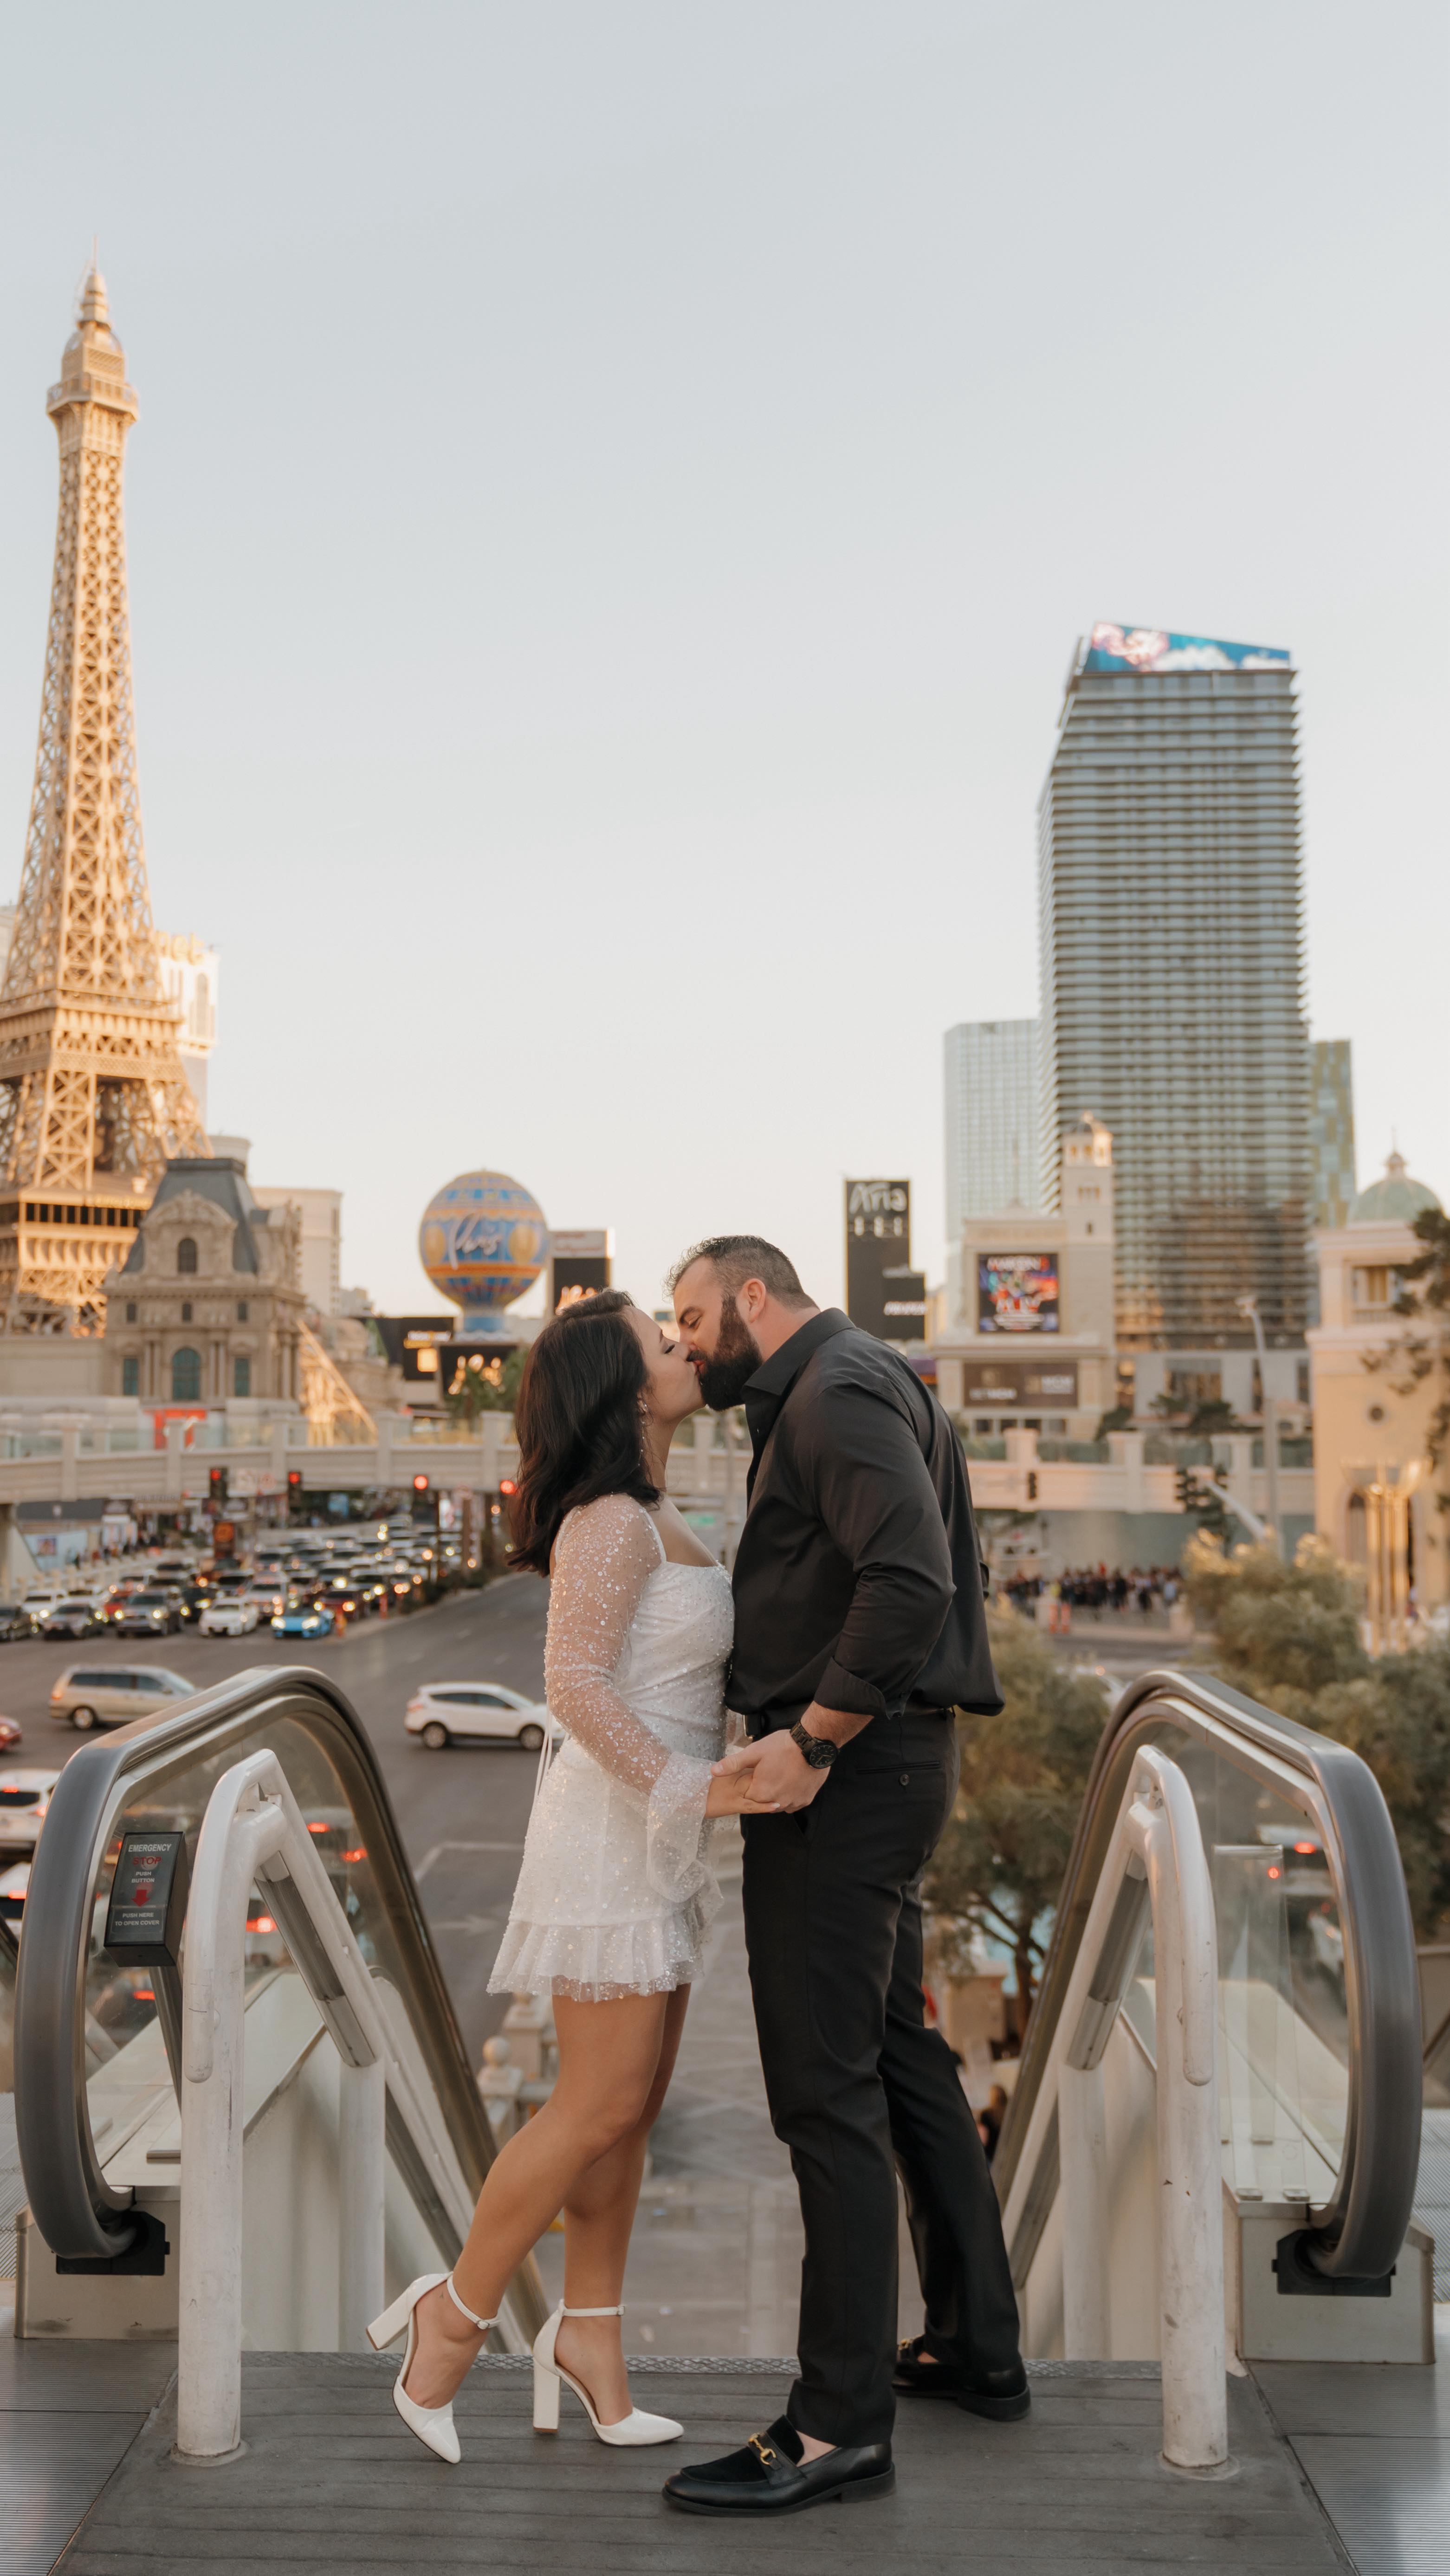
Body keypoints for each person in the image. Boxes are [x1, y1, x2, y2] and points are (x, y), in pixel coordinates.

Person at [660, 1237, 1026, 2520]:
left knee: (824, 2091)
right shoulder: (849, 1381)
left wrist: (812, 1739)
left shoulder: (833, 1391)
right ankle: (977, 2340)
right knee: (896, 2050)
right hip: (888, 1769)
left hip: (847, 1781)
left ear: (755, 1295)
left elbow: (911, 1579)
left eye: (696, 1314)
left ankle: (834, 2422)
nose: (689, 1340)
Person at [366, 1289, 756, 2465]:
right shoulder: (608, 1522)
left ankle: (591, 2341)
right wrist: (699, 1787)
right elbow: (577, 1688)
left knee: (628, 2112)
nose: (685, 1349)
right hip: (611, 1839)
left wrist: (714, 1778)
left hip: (663, 1840)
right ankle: (453, 2319)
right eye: (660, 1340)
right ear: (626, 1387)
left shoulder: (660, 1511)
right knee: (592, 2104)